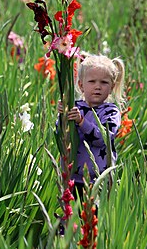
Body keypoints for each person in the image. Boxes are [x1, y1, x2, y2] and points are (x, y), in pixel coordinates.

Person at [58, 54, 125, 197]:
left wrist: (81, 122)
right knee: (71, 216)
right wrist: (62, 115)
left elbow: (103, 138)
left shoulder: (111, 112)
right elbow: (62, 135)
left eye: (104, 82)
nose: (98, 87)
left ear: (112, 87)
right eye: (92, 81)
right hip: (71, 178)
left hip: (99, 180)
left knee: (95, 217)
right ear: (81, 85)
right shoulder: (74, 106)